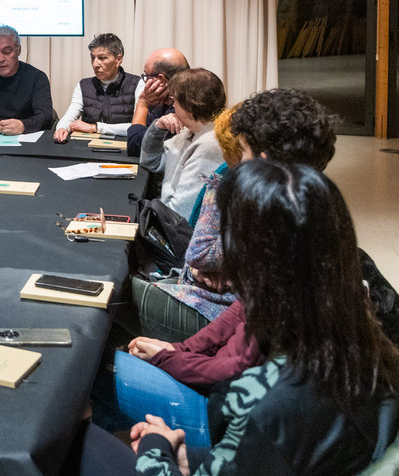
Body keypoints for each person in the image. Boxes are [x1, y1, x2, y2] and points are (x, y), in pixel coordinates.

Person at [64, 160, 399, 476]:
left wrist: (155, 450)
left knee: (73, 444)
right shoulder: (367, 345)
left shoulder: (280, 396)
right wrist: (201, 462)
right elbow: (284, 466)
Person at [129, 90, 338, 343]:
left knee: (110, 299)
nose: (236, 161)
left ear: (265, 158)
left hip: (222, 318)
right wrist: (206, 272)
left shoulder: (265, 202)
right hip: (224, 311)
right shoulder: (318, 197)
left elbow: (200, 254)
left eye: (243, 150)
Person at [138, 68, 225, 219]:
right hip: (168, 218)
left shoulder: (210, 144)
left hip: (176, 231)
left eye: (175, 101)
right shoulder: (188, 133)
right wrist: (157, 127)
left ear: (189, 105)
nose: (173, 106)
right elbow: (150, 162)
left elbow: (181, 213)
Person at [53, 33, 143, 142]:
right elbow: (69, 118)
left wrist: (95, 128)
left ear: (118, 59)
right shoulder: (84, 85)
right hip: (88, 147)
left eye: (102, 58)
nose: (95, 64)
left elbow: (138, 128)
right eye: (92, 58)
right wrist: (62, 128)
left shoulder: (137, 84)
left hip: (124, 146)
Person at [125, 49, 190, 157]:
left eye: (146, 76)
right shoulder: (164, 103)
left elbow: (135, 146)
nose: (144, 82)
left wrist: (142, 104)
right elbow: (143, 129)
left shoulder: (182, 109)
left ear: (161, 79)